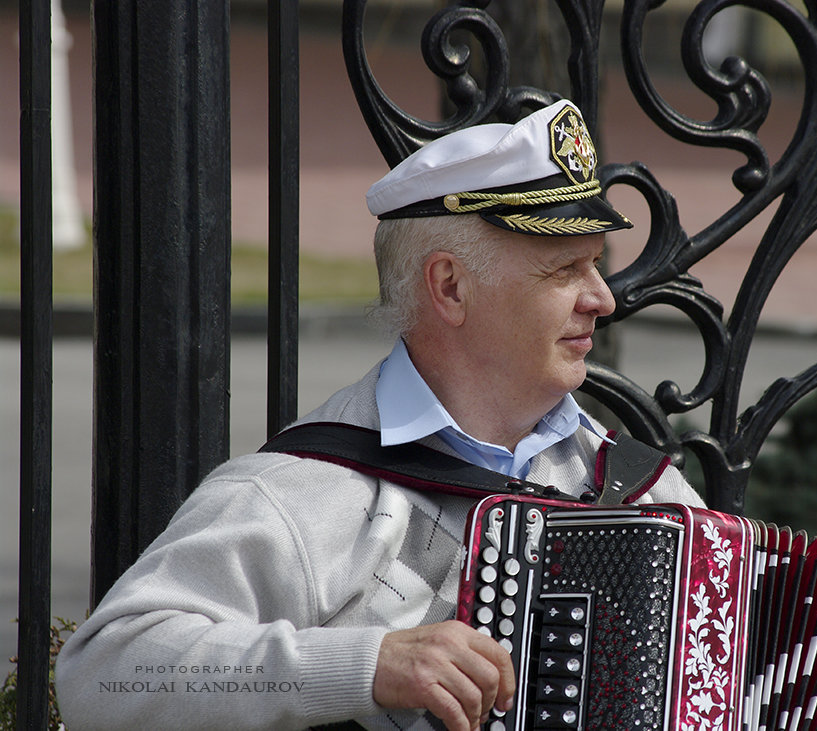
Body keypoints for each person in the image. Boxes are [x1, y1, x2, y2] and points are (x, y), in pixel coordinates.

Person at [55, 99, 705, 730]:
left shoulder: (637, 487)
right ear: (449, 285)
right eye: (565, 268)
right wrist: (363, 665)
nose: (601, 298)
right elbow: (105, 673)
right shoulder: (308, 490)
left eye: (595, 265)